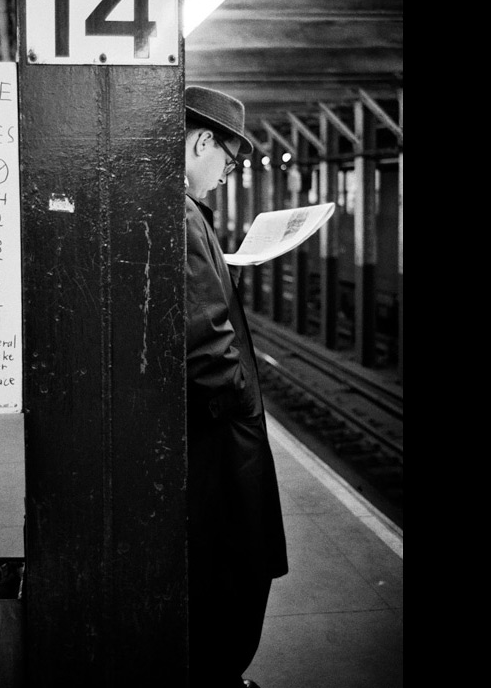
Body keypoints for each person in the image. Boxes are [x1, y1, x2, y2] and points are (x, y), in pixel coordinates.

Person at [182, 85, 287, 688]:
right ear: (200, 141)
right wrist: (240, 399)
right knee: (236, 576)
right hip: (224, 452)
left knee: (231, 573)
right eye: (228, 157)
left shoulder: (184, 213)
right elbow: (207, 349)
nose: (228, 172)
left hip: (216, 448)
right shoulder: (184, 215)